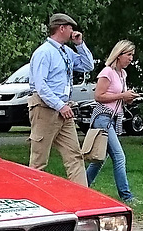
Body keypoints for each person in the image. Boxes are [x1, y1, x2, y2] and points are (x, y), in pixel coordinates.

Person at [27, 13, 94, 186]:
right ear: (62, 28)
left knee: (74, 156)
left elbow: (88, 66)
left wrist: (80, 45)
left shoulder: (66, 52)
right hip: (44, 109)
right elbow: (41, 87)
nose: (73, 31)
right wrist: (59, 106)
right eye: (71, 28)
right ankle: (34, 199)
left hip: (64, 109)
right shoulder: (44, 53)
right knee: (38, 160)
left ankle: (82, 198)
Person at [85, 40, 140, 204]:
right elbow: (98, 96)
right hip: (103, 117)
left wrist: (128, 98)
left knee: (99, 158)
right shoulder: (107, 72)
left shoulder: (123, 74)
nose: (131, 59)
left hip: (114, 118)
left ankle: (81, 186)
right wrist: (122, 96)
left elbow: (119, 97)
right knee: (119, 156)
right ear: (119, 54)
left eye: (132, 55)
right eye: (129, 55)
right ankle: (126, 195)